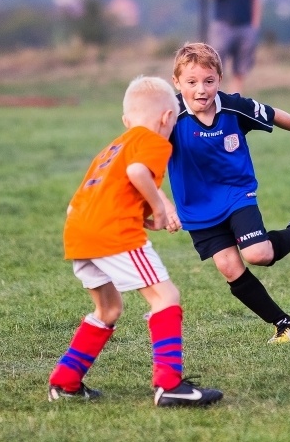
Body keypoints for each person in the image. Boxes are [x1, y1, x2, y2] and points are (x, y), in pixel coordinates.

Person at [47, 76, 223, 407]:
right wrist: (159, 208)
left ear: (127, 120)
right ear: (168, 119)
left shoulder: (112, 148)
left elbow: (83, 201)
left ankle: (65, 382)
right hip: (114, 234)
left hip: (78, 232)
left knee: (108, 308)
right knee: (166, 296)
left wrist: (143, 215)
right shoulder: (154, 141)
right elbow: (138, 173)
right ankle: (169, 384)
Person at [165, 42, 290, 344]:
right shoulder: (170, 117)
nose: (201, 89)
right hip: (197, 208)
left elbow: (272, 113)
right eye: (191, 82)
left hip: (236, 194)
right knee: (229, 267)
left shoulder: (232, 107)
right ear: (177, 83)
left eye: (209, 81)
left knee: (258, 255)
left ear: (219, 80)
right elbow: (145, 154)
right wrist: (157, 204)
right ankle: (283, 324)